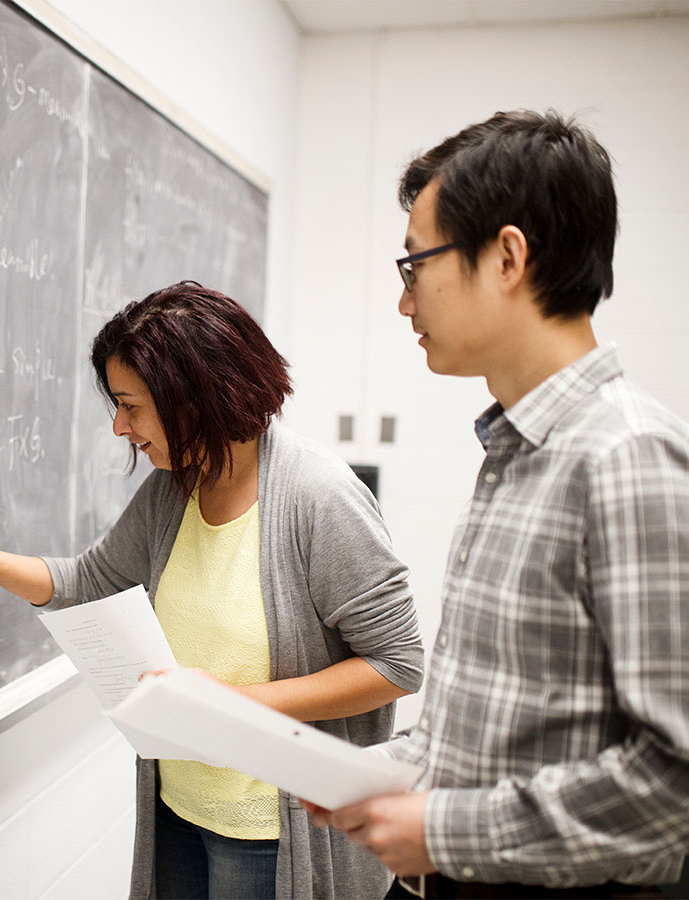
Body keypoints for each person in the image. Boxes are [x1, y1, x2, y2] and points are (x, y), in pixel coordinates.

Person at [0, 280, 424, 900]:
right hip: (178, 806)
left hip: (270, 832)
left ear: (193, 398)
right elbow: (88, 582)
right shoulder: (173, 489)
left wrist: (234, 703)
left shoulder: (320, 498)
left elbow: (397, 665)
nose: (121, 427)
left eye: (132, 405)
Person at [304, 110, 689, 899]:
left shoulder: (627, 458)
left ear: (508, 256)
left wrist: (440, 829)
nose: (405, 304)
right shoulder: (514, 452)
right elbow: (503, 726)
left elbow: (674, 781)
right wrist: (370, 771)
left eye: (416, 268)